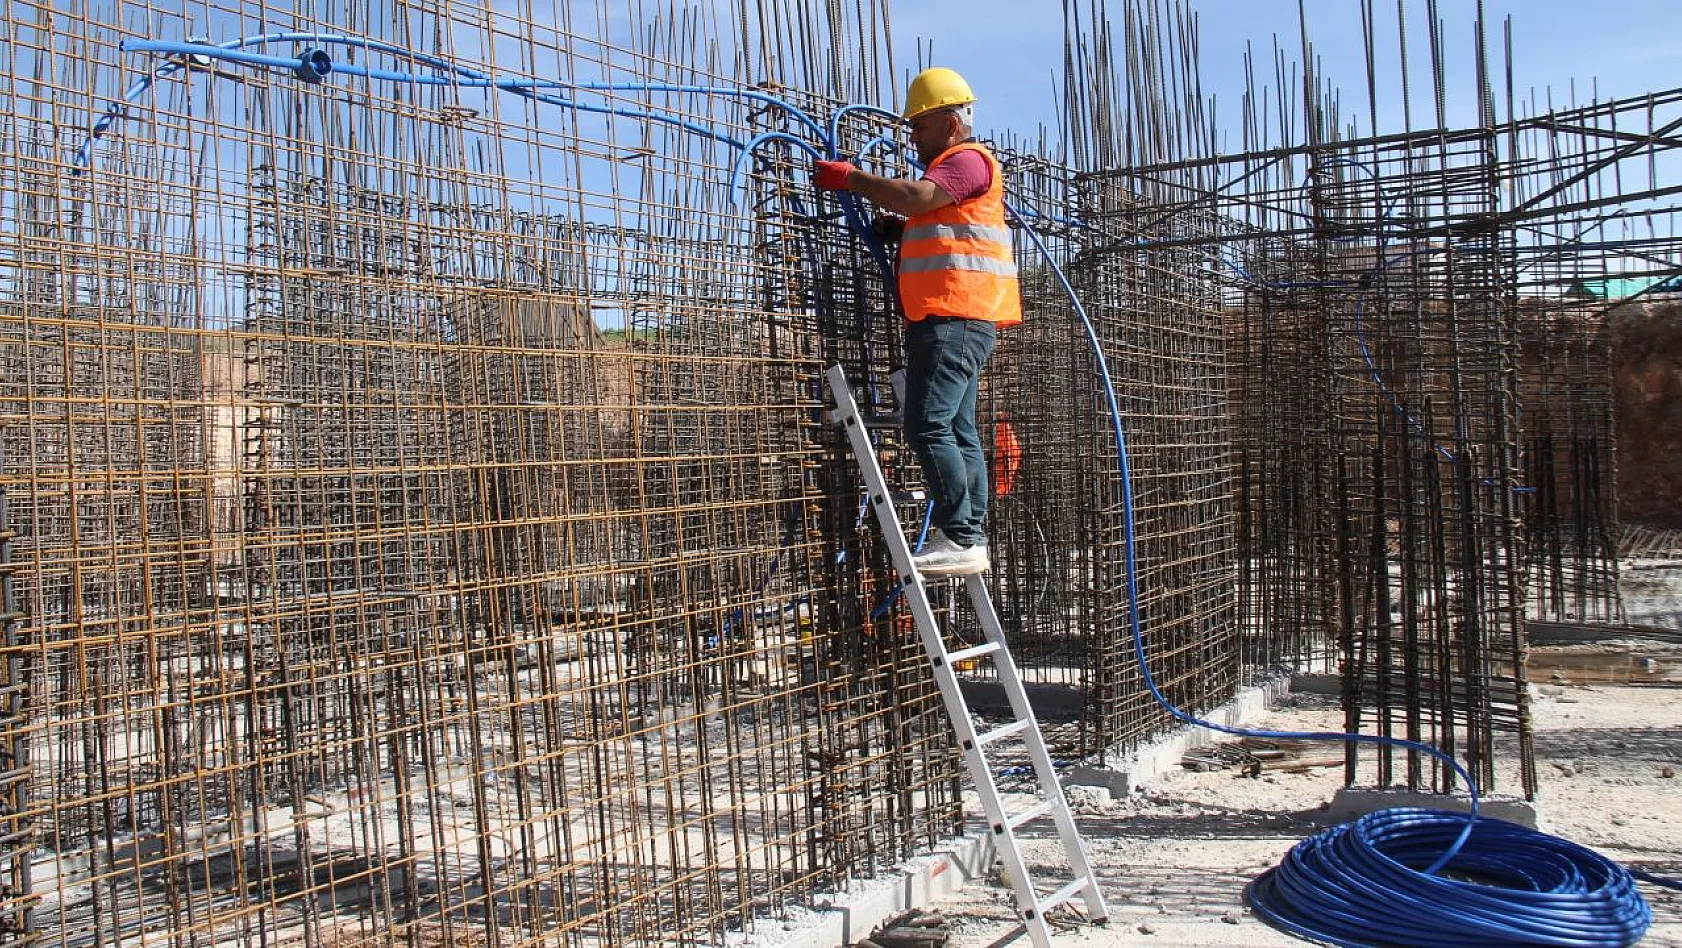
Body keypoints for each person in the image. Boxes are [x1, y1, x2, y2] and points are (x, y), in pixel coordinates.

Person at [812, 67, 1022, 576]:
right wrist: (902, 230)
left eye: (921, 127)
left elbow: (919, 197)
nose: (913, 137)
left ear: (951, 125)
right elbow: (937, 220)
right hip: (960, 318)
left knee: (926, 424)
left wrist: (852, 179)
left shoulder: (966, 160)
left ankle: (962, 536)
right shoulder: (959, 171)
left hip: (953, 317)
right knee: (959, 429)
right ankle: (967, 534)